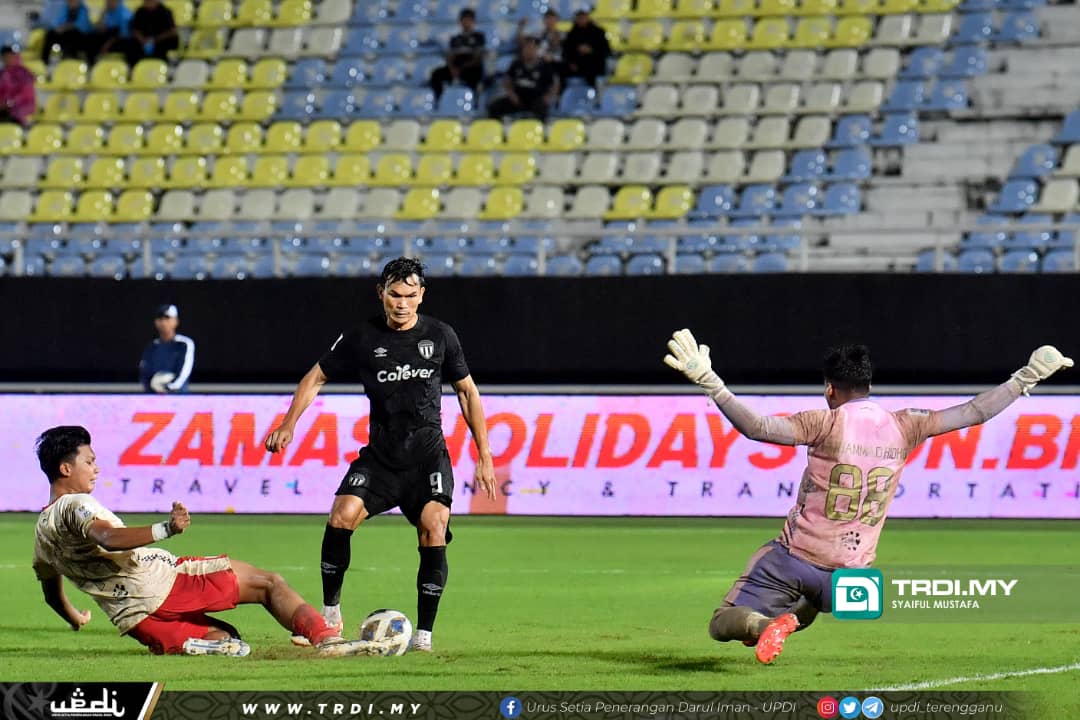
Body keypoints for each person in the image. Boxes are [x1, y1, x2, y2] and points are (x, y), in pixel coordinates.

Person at [663, 330, 1073, 664]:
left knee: (723, 622)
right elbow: (975, 411)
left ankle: (760, 625)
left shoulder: (823, 422)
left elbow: (758, 427)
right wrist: (1025, 378)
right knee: (806, 606)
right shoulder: (906, 425)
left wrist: (711, 384)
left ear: (829, 389)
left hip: (797, 558)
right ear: (870, 386)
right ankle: (785, 620)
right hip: (857, 584)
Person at [264, 257, 497, 653]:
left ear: (421, 295)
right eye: (394, 294)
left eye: (409, 295)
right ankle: (331, 615)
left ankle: (423, 635)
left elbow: (467, 391)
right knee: (341, 516)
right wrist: (288, 423)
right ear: (381, 294)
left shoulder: (441, 336)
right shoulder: (361, 337)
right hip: (381, 458)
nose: (401, 303)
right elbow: (315, 376)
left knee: (433, 527)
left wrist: (485, 454)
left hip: (426, 459)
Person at [32, 425, 403, 657]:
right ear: (66, 469)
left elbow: (50, 590)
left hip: (136, 621)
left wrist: (74, 617)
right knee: (268, 584)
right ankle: (326, 641)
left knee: (229, 638)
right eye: (89, 461)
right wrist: (166, 529)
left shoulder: (41, 535)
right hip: (164, 584)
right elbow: (109, 538)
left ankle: (209, 643)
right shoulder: (76, 504)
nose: (96, 468)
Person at [488, 36, 559, 121]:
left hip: (536, 100)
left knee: (543, 109)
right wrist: (511, 94)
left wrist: (548, 97)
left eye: (531, 48)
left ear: (536, 50)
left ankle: (540, 131)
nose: (528, 51)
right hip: (518, 99)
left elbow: (555, 83)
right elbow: (507, 81)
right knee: (494, 108)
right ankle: (501, 130)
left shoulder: (544, 66)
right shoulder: (516, 64)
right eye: (526, 48)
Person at [428, 8, 485, 101]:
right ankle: (438, 100)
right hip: (456, 68)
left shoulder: (479, 36)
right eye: (464, 19)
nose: (466, 22)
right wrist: (453, 69)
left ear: (473, 21)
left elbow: (478, 57)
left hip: (471, 68)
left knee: (475, 75)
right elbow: (450, 56)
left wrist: (462, 68)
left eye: (469, 19)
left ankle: (475, 102)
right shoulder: (455, 38)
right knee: (436, 74)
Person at [138, 304, 195, 394]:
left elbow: (184, 374)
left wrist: (168, 387)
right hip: (154, 398)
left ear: (176, 321)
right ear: (156, 322)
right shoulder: (151, 347)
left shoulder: (184, 344)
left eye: (167, 318)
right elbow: (145, 375)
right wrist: (153, 389)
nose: (164, 322)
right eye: (160, 318)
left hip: (178, 397)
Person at [561, 8, 611, 87]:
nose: (581, 19)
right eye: (579, 17)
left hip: (594, 69)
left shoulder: (598, 32)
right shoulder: (571, 33)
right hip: (577, 69)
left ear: (588, 16)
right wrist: (571, 62)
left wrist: (591, 50)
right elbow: (566, 52)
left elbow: (606, 51)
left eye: (583, 16)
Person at [123, 0, 177, 68]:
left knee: (169, 43)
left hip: (160, 41)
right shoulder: (140, 11)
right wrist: (142, 40)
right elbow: (134, 29)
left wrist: (154, 40)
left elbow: (172, 31)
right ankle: (135, 69)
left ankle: (162, 67)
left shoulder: (165, 11)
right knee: (130, 44)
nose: (148, 2)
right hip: (143, 42)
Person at [0, 46, 36, 126]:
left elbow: (26, 95)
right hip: (5, 108)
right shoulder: (2, 73)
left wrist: (9, 103)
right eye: (5, 56)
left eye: (10, 56)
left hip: (21, 108)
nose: (8, 59)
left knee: (15, 115)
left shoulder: (24, 73)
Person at [88, 0, 132, 64]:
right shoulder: (107, 12)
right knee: (92, 38)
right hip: (108, 39)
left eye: (112, 1)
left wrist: (107, 45)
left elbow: (122, 34)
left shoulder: (125, 14)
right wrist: (103, 14)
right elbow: (100, 29)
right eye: (108, 1)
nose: (109, 3)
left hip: (121, 41)